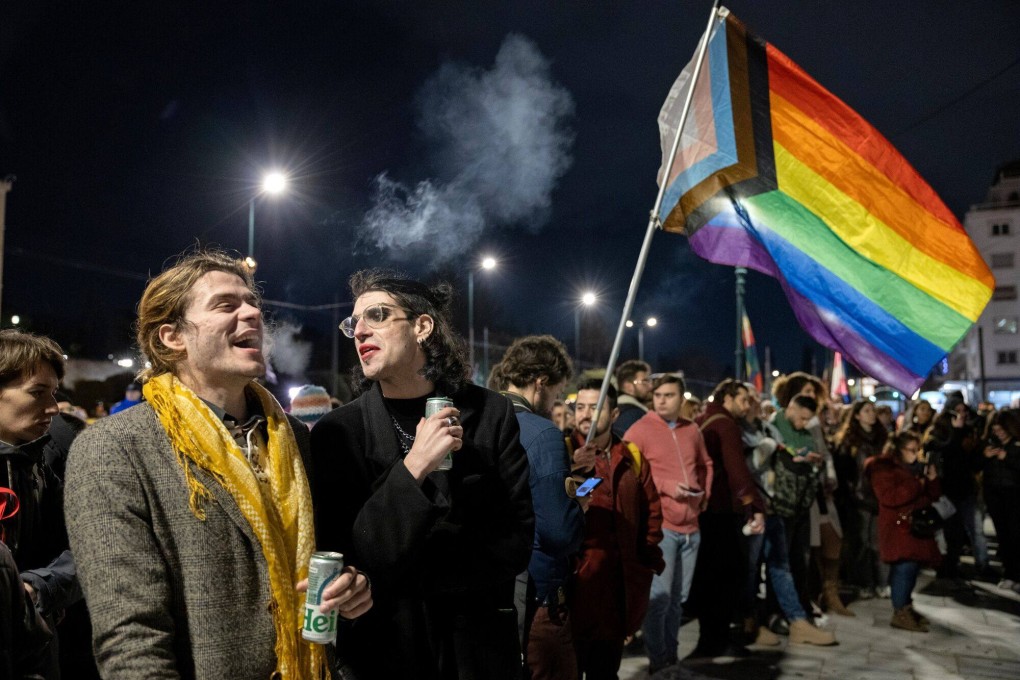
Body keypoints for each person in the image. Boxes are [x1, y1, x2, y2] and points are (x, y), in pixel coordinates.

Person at [65, 250, 372, 679]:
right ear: (172, 337)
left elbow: (324, 559)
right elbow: (132, 638)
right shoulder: (114, 448)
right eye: (226, 305)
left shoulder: (295, 439)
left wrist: (352, 589)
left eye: (252, 304)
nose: (252, 315)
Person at [310, 269, 534, 680]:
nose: (359, 331)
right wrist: (413, 468)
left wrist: (408, 574)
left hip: (476, 651)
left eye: (376, 315)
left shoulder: (490, 413)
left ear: (422, 326)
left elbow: (516, 540)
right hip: (385, 651)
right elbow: (347, 552)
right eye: (353, 323)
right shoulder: (338, 432)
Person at [491, 335, 584, 679]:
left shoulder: (472, 419)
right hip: (534, 592)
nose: (556, 400)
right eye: (558, 392)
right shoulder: (542, 433)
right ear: (541, 382)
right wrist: (578, 508)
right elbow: (559, 532)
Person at [0, 330, 87, 679]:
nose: (53, 407)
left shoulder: (46, 463)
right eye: (37, 393)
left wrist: (38, 588)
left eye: (53, 393)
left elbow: (89, 549)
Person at [570, 379, 663, 679]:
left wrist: (642, 561)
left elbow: (652, 511)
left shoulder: (631, 456)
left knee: (606, 671)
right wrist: (572, 472)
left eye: (595, 407)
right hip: (574, 591)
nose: (586, 414)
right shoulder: (560, 449)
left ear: (613, 415)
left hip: (616, 592)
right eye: (580, 407)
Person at [623, 373, 711, 673]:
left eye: (669, 395)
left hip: (692, 526)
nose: (661, 400)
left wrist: (705, 494)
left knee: (678, 601)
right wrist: (668, 486)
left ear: (682, 398)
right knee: (659, 601)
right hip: (663, 527)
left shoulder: (692, 430)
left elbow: (705, 464)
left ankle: (671, 659)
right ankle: (658, 663)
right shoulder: (640, 429)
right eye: (658, 395)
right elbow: (630, 474)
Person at [741, 390, 836, 646]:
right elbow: (751, 465)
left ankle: (795, 620)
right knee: (753, 569)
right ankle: (753, 622)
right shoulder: (756, 429)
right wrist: (777, 450)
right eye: (746, 401)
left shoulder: (764, 428)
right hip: (761, 507)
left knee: (782, 565)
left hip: (778, 506)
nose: (754, 406)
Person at [689, 379, 765, 659]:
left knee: (709, 577)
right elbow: (736, 470)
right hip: (722, 510)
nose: (747, 406)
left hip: (704, 509)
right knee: (726, 576)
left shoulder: (702, 419)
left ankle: (711, 637)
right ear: (728, 398)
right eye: (743, 399)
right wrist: (753, 505)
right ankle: (714, 639)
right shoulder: (726, 424)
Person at [866, 431, 941, 632]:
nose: (916, 454)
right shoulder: (883, 468)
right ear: (899, 450)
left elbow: (932, 495)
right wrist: (916, 482)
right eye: (912, 450)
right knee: (904, 567)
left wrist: (931, 480)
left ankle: (906, 607)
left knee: (912, 568)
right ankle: (899, 611)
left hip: (915, 525)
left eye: (918, 450)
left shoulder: (916, 469)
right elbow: (889, 497)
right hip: (898, 525)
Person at [924, 393, 990, 580]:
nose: (962, 414)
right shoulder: (938, 432)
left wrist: (983, 455)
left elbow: (970, 461)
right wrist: (956, 432)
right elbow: (942, 452)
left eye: (964, 411)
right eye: (958, 411)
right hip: (946, 489)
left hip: (966, 488)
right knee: (952, 531)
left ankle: (983, 564)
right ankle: (951, 566)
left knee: (975, 529)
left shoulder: (969, 432)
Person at [832, 399, 889, 598]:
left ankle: (881, 582)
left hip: (880, 495)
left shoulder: (883, 438)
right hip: (859, 498)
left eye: (872, 410)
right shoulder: (849, 441)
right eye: (866, 410)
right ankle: (863, 583)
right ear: (856, 416)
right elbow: (845, 472)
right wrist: (851, 494)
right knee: (861, 542)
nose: (871, 414)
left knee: (878, 541)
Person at [981, 409, 1020, 593]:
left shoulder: (1016, 445)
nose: (999, 433)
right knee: (1003, 537)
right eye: (996, 430)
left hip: (1014, 496)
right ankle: (1009, 573)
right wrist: (985, 457)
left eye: (1002, 430)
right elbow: (976, 465)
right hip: (995, 497)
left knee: (1015, 536)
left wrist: (1009, 458)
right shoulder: (989, 444)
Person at [612, 360, 652, 439]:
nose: (650, 386)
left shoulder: (615, 410)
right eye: (645, 381)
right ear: (628, 386)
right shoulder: (636, 416)